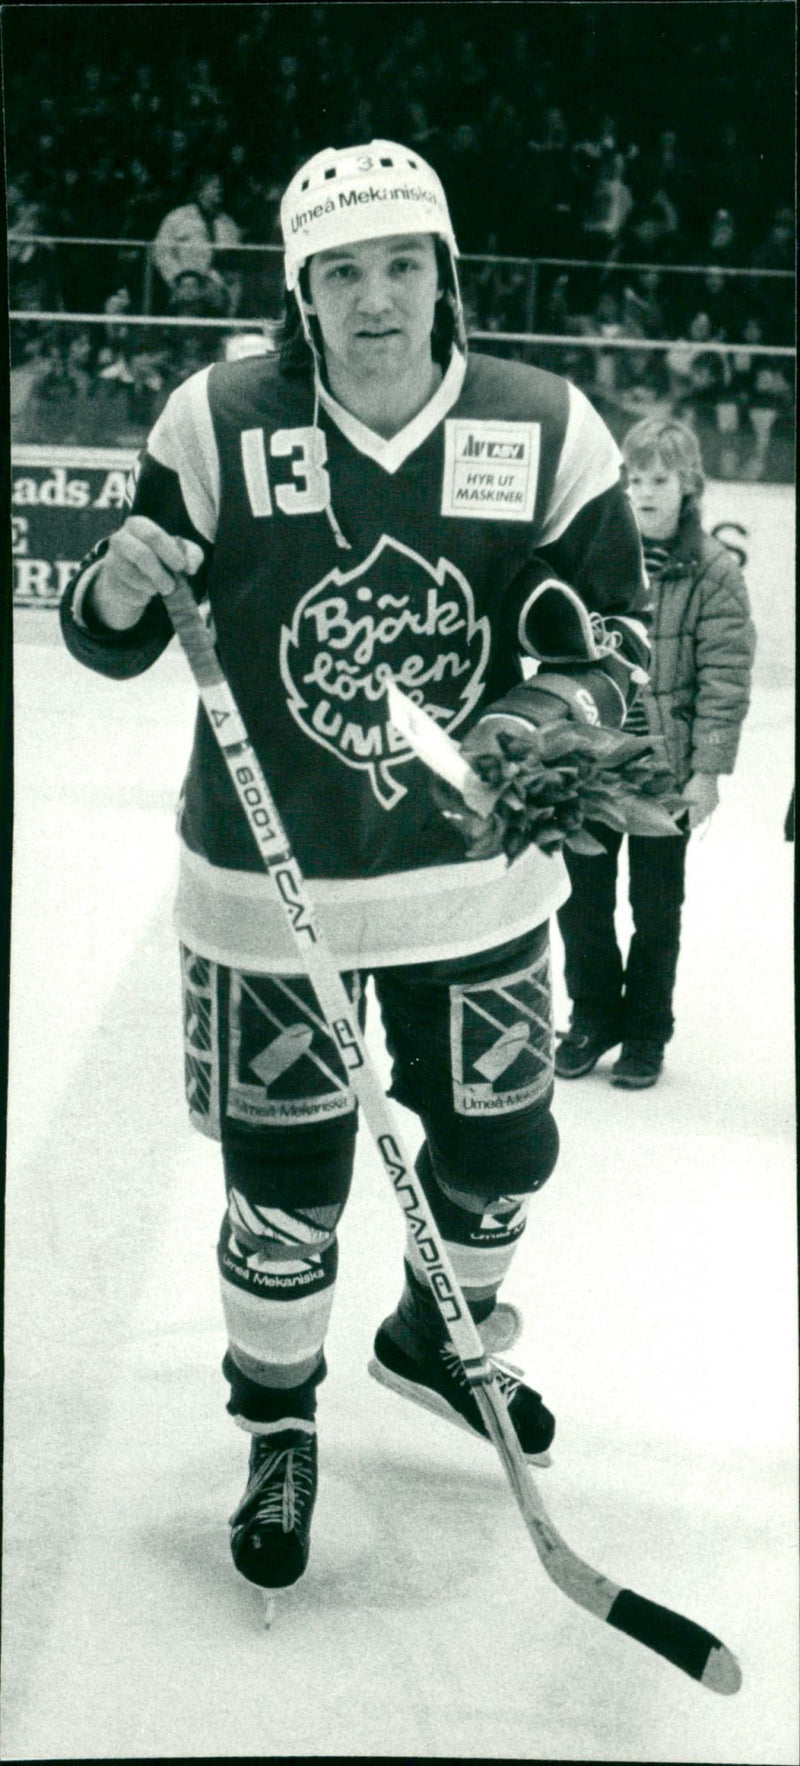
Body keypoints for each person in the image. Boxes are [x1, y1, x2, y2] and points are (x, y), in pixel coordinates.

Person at [60, 139, 651, 1601]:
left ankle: (432, 1340)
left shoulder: (548, 426)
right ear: (300, 294)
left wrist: (532, 728)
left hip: (480, 891)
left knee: (506, 1153)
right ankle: (277, 1420)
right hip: (275, 901)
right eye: (341, 274)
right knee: (288, 1194)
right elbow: (116, 624)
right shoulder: (217, 419)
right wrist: (116, 586)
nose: (374, 300)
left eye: (401, 266)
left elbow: (613, 648)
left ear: (444, 275)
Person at [555, 416, 755, 1089]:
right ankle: (592, 1017)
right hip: (593, 762)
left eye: (659, 479)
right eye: (634, 478)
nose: (643, 491)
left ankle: (644, 1030)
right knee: (580, 900)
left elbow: (725, 683)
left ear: (688, 485)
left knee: (655, 906)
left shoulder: (715, 572)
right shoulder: (597, 556)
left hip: (663, 774)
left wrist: (707, 775)